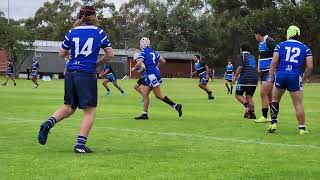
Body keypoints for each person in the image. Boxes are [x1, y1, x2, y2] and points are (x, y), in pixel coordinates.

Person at [37, 6, 114, 153]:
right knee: (89, 110)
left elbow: (61, 53)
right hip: (87, 73)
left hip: (71, 72)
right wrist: (97, 63)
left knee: (69, 107)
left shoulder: (72, 32)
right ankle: (80, 144)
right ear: (94, 17)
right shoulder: (99, 32)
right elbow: (110, 54)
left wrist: (71, 60)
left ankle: (48, 123)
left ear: (80, 17)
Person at [267, 25, 313, 135]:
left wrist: (271, 76)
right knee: (298, 103)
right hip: (294, 76)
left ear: (289, 33)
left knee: (275, 99)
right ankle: (302, 129)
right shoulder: (305, 48)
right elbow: (310, 67)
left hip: (281, 75)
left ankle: (273, 123)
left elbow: (273, 62)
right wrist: (304, 78)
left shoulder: (280, 45)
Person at [133, 37, 182, 120]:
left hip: (151, 75)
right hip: (155, 73)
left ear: (141, 44)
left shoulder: (143, 52)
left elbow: (139, 63)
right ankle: (145, 113)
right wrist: (156, 67)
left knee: (157, 95)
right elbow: (163, 61)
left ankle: (175, 105)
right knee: (147, 94)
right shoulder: (153, 52)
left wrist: (135, 67)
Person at [254, 26, 277, 123]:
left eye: (255, 35)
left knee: (263, 93)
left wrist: (275, 68)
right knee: (270, 95)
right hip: (263, 72)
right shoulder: (260, 43)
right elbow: (260, 55)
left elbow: (278, 53)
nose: (255, 37)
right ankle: (272, 117)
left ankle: (264, 116)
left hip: (269, 71)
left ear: (258, 34)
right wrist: (259, 66)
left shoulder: (269, 41)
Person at [232, 42, 258, 119]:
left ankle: (249, 108)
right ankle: (252, 114)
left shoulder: (242, 55)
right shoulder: (252, 57)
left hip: (245, 79)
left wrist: (235, 77)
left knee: (238, 95)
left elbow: (240, 67)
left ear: (241, 49)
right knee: (249, 96)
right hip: (254, 79)